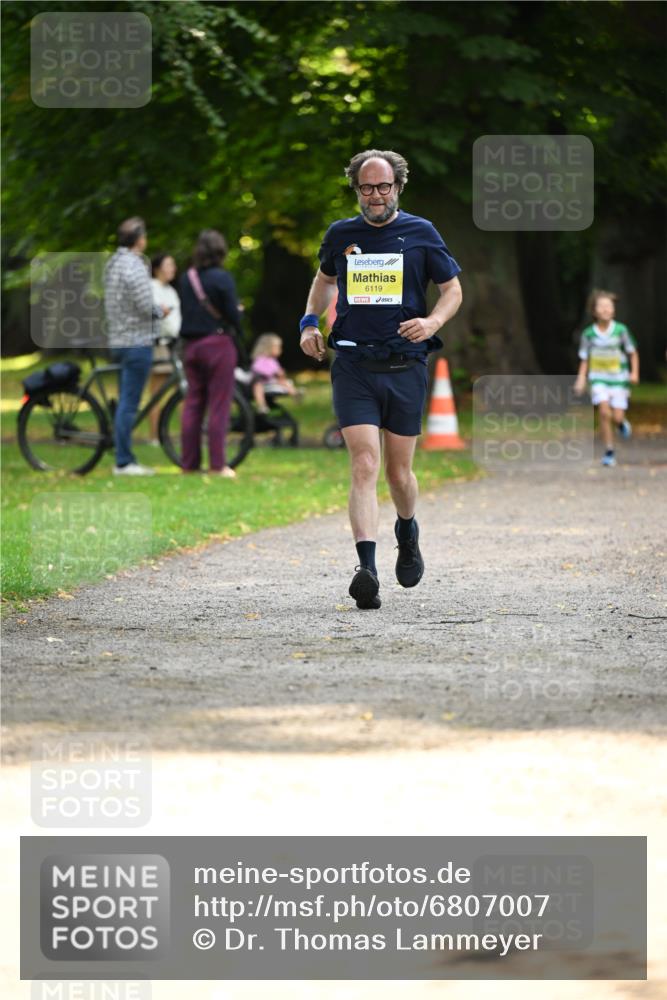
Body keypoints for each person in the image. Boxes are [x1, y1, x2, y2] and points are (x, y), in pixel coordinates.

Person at [300, 149, 463, 610]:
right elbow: (324, 281)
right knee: (365, 463)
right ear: (357, 190)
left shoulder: (421, 233)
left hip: (405, 364)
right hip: (352, 363)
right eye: (367, 188)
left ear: (398, 188)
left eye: (383, 187)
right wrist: (310, 323)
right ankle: (366, 569)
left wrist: (431, 323)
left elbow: (452, 291)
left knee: (399, 472)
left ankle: (407, 532)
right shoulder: (341, 235)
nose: (375, 196)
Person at [104, 217, 170, 475]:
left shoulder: (113, 263)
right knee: (130, 403)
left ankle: (122, 455)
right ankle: (124, 461)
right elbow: (143, 304)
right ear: (139, 239)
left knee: (124, 402)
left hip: (118, 340)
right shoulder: (134, 264)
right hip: (136, 341)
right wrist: (160, 310)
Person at [178, 228, 243, 477]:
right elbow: (231, 314)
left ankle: (189, 464)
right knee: (218, 404)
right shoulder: (222, 278)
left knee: (193, 404)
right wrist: (239, 315)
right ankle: (217, 465)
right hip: (217, 344)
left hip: (191, 346)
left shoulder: (187, 278)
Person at [574, 289, 639, 467]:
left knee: (616, 417)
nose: (605, 309)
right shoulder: (588, 334)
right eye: (601, 306)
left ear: (613, 310)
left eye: (608, 306)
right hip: (598, 379)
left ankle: (620, 423)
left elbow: (632, 353)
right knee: (604, 413)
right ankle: (609, 451)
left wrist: (634, 373)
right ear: (594, 311)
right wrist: (581, 378)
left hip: (619, 379)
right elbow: (585, 358)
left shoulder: (621, 330)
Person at [149, 253, 182, 444]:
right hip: (160, 345)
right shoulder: (151, 288)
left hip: (174, 345)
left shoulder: (171, 291)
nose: (173, 268)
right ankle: (154, 436)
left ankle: (184, 433)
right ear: (157, 268)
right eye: (169, 264)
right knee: (157, 392)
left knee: (182, 389)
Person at [250, 333, 301, 413]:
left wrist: (281, 374)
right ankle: (262, 406)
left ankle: (294, 393)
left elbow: (278, 371)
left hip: (271, 381)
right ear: (268, 347)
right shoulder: (260, 359)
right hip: (261, 382)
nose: (280, 349)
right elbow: (257, 369)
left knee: (283, 381)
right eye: (278, 347)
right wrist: (274, 372)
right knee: (257, 387)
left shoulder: (273, 360)